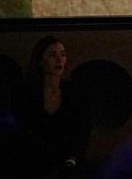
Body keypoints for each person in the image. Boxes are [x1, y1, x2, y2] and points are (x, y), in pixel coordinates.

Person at [12, 35, 90, 166]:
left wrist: (72, 159)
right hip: (31, 163)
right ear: (40, 60)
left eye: (63, 54)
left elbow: (83, 131)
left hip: (68, 163)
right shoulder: (26, 93)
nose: (60, 60)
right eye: (53, 55)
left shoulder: (74, 92)